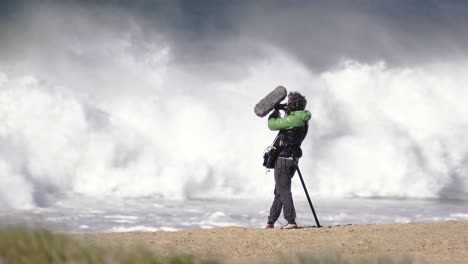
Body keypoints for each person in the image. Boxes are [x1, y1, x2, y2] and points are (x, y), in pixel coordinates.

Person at [265, 91, 311, 229]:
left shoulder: (293, 120)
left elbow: (272, 125)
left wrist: (275, 111)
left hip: (284, 158)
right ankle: (271, 221)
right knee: (280, 189)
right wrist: (287, 111)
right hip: (293, 158)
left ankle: (291, 221)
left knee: (283, 190)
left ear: (292, 105)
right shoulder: (302, 117)